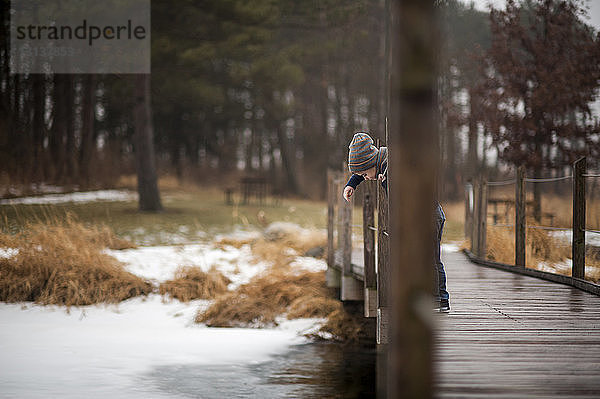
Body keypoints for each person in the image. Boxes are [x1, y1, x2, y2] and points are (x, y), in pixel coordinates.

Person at [342, 132, 450, 312]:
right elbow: (366, 167)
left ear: (371, 163)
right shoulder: (381, 159)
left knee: (428, 260)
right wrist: (352, 183)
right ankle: (436, 299)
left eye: (363, 174)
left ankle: (437, 301)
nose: (365, 177)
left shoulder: (394, 170)